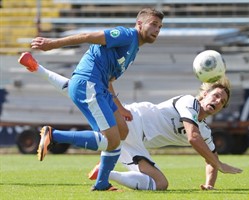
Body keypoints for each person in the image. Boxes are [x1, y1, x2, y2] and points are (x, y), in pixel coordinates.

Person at [18, 54, 242, 191]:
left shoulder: (206, 131)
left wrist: (210, 184)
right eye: (215, 95)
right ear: (203, 95)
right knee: (88, 95)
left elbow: (210, 160)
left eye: (221, 101)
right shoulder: (189, 102)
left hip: (137, 143)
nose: (217, 100)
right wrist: (219, 164)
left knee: (161, 184)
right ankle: (55, 135)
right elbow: (193, 139)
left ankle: (104, 174)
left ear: (221, 109)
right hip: (133, 119)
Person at [18, 7, 164, 191]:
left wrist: (120, 107)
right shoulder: (126, 35)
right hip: (90, 85)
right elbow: (88, 36)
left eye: (160, 26)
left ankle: (102, 182)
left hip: (98, 87)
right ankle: (54, 135)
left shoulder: (133, 49)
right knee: (111, 141)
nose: (157, 30)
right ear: (140, 23)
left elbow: (110, 79)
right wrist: (52, 44)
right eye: (153, 24)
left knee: (122, 131)